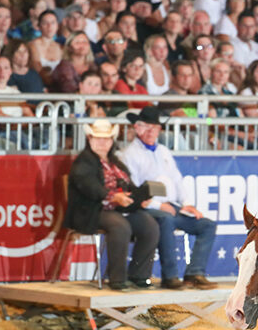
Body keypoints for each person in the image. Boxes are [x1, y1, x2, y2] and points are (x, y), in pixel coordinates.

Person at [121, 107, 218, 290]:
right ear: (138, 128)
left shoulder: (163, 151)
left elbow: (177, 180)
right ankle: (170, 276)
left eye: (155, 127)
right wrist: (159, 204)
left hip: (173, 207)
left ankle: (194, 273)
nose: (151, 132)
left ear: (159, 129)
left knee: (207, 225)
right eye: (147, 127)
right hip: (147, 209)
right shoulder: (128, 154)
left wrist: (187, 204)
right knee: (165, 220)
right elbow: (134, 191)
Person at [65, 119, 159, 291]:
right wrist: (113, 197)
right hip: (90, 211)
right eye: (98, 138)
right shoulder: (83, 162)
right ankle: (117, 279)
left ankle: (139, 276)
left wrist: (137, 198)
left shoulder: (115, 162)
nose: (103, 142)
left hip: (117, 209)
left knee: (149, 224)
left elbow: (128, 185)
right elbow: (89, 187)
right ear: (90, 139)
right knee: (119, 225)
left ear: (111, 141)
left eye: (107, 139)